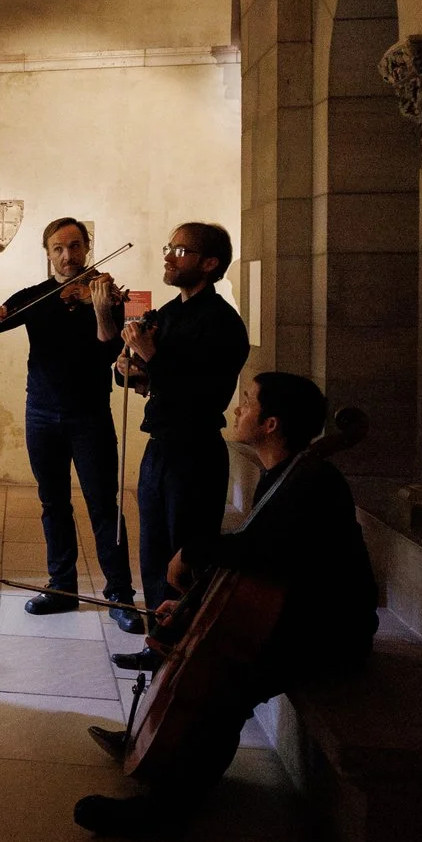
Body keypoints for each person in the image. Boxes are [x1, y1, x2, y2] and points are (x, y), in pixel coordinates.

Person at [75, 370, 379, 839]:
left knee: (228, 681)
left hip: (333, 630)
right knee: (202, 647)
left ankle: (169, 812)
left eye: (249, 402)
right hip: (298, 612)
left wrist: (192, 552)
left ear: (271, 424)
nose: (237, 409)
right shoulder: (284, 474)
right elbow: (253, 559)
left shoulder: (313, 481)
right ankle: (156, 746)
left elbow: (264, 553)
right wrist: (190, 606)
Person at [0, 217, 133, 615]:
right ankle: (62, 587)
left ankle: (120, 594)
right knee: (53, 502)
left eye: (75, 246)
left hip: (89, 415)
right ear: (48, 254)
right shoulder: (37, 297)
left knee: (102, 504)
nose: (67, 255)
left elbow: (109, 350)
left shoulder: (108, 296)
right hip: (41, 413)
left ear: (87, 248)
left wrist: (101, 309)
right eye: (58, 248)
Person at [108, 223, 248, 637]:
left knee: (184, 556)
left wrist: (151, 357)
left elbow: (203, 391)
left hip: (195, 451)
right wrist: (128, 368)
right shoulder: (167, 314)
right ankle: (159, 642)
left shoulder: (222, 323)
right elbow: (148, 376)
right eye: (169, 247)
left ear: (209, 263)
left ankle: (186, 647)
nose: (169, 257)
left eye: (181, 251)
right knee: (153, 551)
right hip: (160, 447)